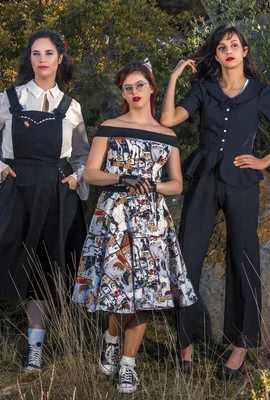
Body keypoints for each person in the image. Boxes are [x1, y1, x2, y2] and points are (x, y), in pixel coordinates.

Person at [160, 24, 270, 379]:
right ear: (215, 55)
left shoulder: (260, 92)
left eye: (235, 45)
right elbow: (167, 120)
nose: (228, 50)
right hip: (205, 178)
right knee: (187, 256)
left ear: (244, 51)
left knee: (244, 257)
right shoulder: (203, 89)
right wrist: (175, 76)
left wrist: (263, 161)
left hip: (242, 181)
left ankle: (241, 345)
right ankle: (185, 344)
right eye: (222, 46)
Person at [0, 28, 89, 372]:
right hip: (13, 189)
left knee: (43, 269)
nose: (42, 59)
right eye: (35, 53)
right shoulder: (9, 99)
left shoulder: (72, 108)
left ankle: (35, 348)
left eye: (48, 53)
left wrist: (77, 175)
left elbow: (86, 154)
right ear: (30, 59)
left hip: (56, 196)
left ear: (60, 58)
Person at [72, 59, 197, 393]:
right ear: (122, 93)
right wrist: (123, 178)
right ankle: (111, 336)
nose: (134, 92)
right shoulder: (110, 126)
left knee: (146, 293)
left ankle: (128, 364)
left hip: (152, 221)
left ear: (151, 88)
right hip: (115, 216)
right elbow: (91, 174)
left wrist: (151, 186)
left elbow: (176, 185)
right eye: (127, 87)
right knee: (118, 291)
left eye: (140, 84)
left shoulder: (167, 134)